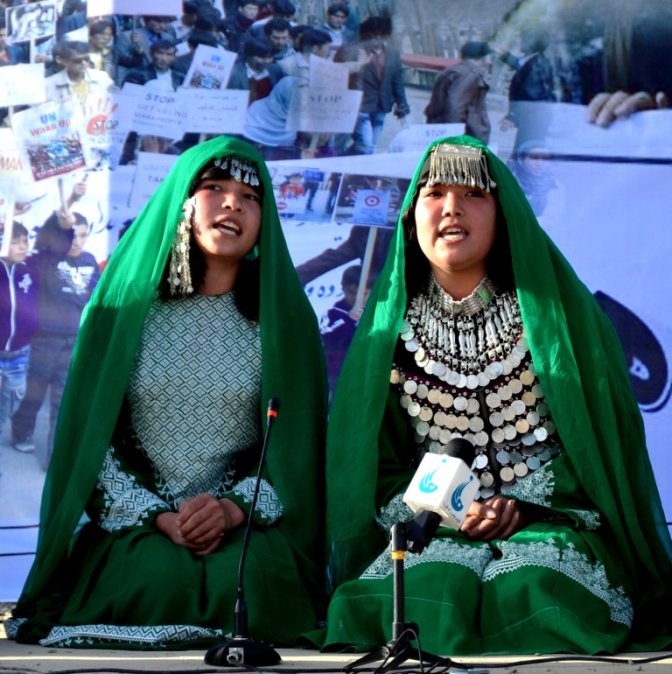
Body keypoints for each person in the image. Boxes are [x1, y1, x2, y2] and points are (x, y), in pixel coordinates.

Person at [320, 135, 672, 654]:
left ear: (503, 215)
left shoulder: (558, 322)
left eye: (474, 194)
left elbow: (598, 449)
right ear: (411, 217)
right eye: (434, 193)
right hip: (435, 529)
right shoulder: (386, 339)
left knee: (535, 591)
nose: (452, 208)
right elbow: (376, 468)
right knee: (412, 596)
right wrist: (449, 511)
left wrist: (522, 505)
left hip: (551, 526)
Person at [7, 135, 328, 649]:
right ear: (183, 202)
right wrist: (159, 516)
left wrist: (230, 510)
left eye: (250, 197)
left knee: (247, 585)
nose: (232, 204)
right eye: (215, 188)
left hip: (242, 527)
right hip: (141, 525)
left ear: (265, 219)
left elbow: (296, 451)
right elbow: (93, 441)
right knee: (153, 579)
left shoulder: (284, 326)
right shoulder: (124, 313)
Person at [11, 209, 100, 466]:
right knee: (34, 395)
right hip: (44, 342)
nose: (76, 241)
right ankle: (20, 429)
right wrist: (62, 217)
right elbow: (42, 243)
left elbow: (96, 297)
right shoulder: (47, 260)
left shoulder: (90, 261)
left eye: (82, 235)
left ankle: (54, 459)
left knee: (62, 401)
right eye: (72, 235)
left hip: (74, 344)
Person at [0, 222, 38, 438]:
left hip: (19, 355)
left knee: (10, 405)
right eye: (15, 242)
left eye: (25, 241)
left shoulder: (29, 271)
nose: (23, 246)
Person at [424, 41, 492, 143]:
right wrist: (454, 133)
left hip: (444, 126)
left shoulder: (457, 70)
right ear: (483, 58)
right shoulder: (470, 74)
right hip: (466, 132)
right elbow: (455, 105)